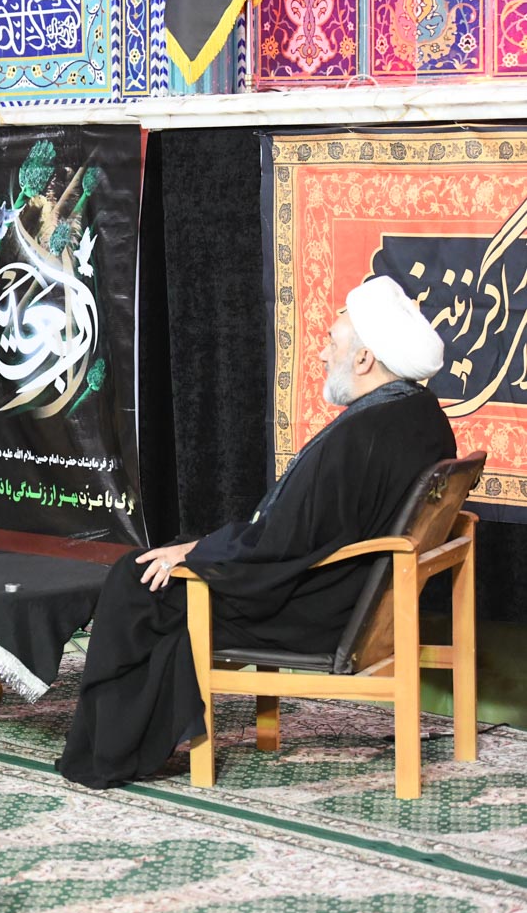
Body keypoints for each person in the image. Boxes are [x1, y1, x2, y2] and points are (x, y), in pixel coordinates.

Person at [57, 275, 457, 789]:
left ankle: (107, 754)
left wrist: (195, 555)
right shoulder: (421, 413)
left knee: (134, 582)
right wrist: (198, 547)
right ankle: (132, 733)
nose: (321, 354)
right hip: (356, 594)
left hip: (314, 611)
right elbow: (293, 532)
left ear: (364, 360)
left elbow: (278, 545)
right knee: (167, 560)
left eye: (331, 342)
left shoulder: (362, 435)